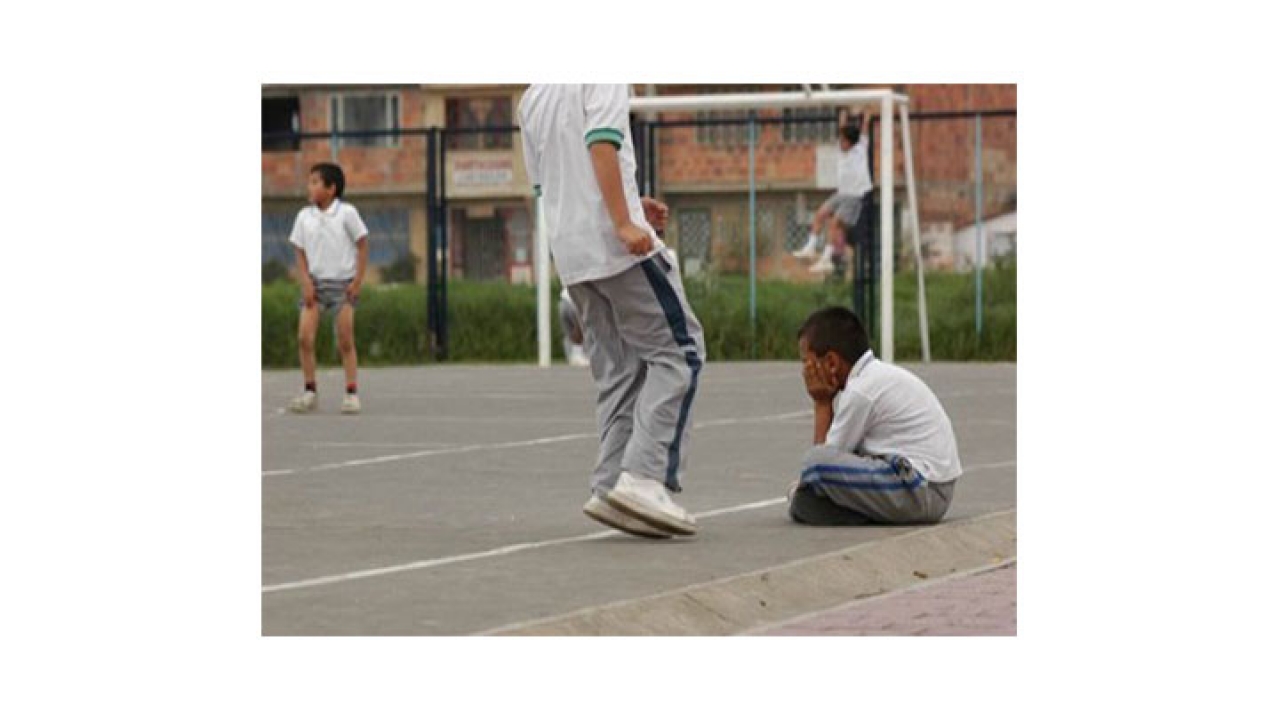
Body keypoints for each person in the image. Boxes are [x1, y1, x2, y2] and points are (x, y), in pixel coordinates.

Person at [520, 84, 704, 539]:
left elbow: (552, 184)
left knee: (619, 372)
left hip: (573, 255)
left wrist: (629, 205)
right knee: (680, 353)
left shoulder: (533, 97)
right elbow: (601, 143)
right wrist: (623, 221)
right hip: (616, 250)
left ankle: (609, 487)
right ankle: (644, 477)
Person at [790, 307, 962, 525]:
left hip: (920, 490)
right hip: (933, 489)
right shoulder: (876, 376)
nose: (805, 372)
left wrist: (822, 403)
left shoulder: (861, 391)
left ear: (831, 362)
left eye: (807, 362)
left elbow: (822, 467)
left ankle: (861, 514)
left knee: (813, 464)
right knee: (807, 496)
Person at [287, 163, 369, 415]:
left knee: (345, 339)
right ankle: (310, 391)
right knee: (304, 337)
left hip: (343, 286)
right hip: (315, 287)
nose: (309, 187)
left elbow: (363, 244)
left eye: (315, 182)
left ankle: (351, 393)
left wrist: (356, 282)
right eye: (309, 181)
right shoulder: (304, 216)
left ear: (331, 188)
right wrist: (306, 283)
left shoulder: (347, 213)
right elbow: (299, 251)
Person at [793, 111, 873, 275]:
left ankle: (827, 259)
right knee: (820, 214)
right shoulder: (841, 148)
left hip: (854, 196)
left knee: (834, 223)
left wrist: (866, 114)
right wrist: (843, 112)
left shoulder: (860, 149)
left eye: (843, 141)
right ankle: (810, 247)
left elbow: (864, 128)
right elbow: (842, 126)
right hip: (841, 193)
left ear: (850, 143)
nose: (840, 143)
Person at [558, 288, 590, 367]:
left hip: (563, 301)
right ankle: (579, 355)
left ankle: (571, 357)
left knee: (568, 333)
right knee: (582, 330)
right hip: (575, 302)